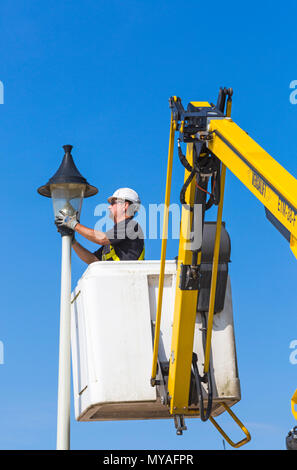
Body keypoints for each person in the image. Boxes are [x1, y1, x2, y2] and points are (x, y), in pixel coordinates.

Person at [55, 187, 145, 264]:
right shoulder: (113, 240)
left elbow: (102, 239)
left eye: (113, 203)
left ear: (125, 205)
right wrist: (73, 241)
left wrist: (73, 224)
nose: (109, 207)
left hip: (127, 282)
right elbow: (93, 260)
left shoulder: (131, 226)